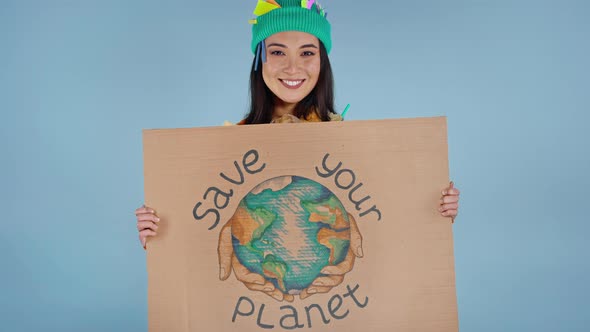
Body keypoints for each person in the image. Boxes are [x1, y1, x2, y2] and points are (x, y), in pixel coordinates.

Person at [134, 0, 461, 300]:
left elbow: (389, 217)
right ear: (259, 59)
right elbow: (196, 228)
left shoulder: (349, 144)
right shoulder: (225, 150)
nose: (293, 67)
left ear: (322, 61)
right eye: (277, 52)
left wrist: (433, 209)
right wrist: (162, 231)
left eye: (307, 52)